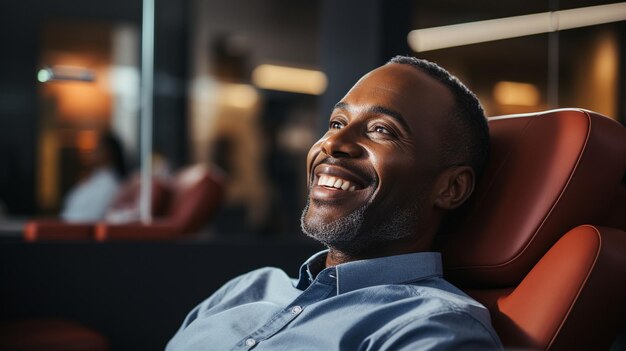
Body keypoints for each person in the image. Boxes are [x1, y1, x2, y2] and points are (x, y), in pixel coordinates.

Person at [166, 56, 502, 350]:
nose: (333, 143)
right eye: (336, 123)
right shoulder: (247, 289)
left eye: (382, 130)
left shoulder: (432, 327)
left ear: (451, 188)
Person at [61, 131, 128, 222]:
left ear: (108, 153)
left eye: (98, 148)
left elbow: (91, 218)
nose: (93, 152)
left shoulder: (108, 185)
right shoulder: (95, 179)